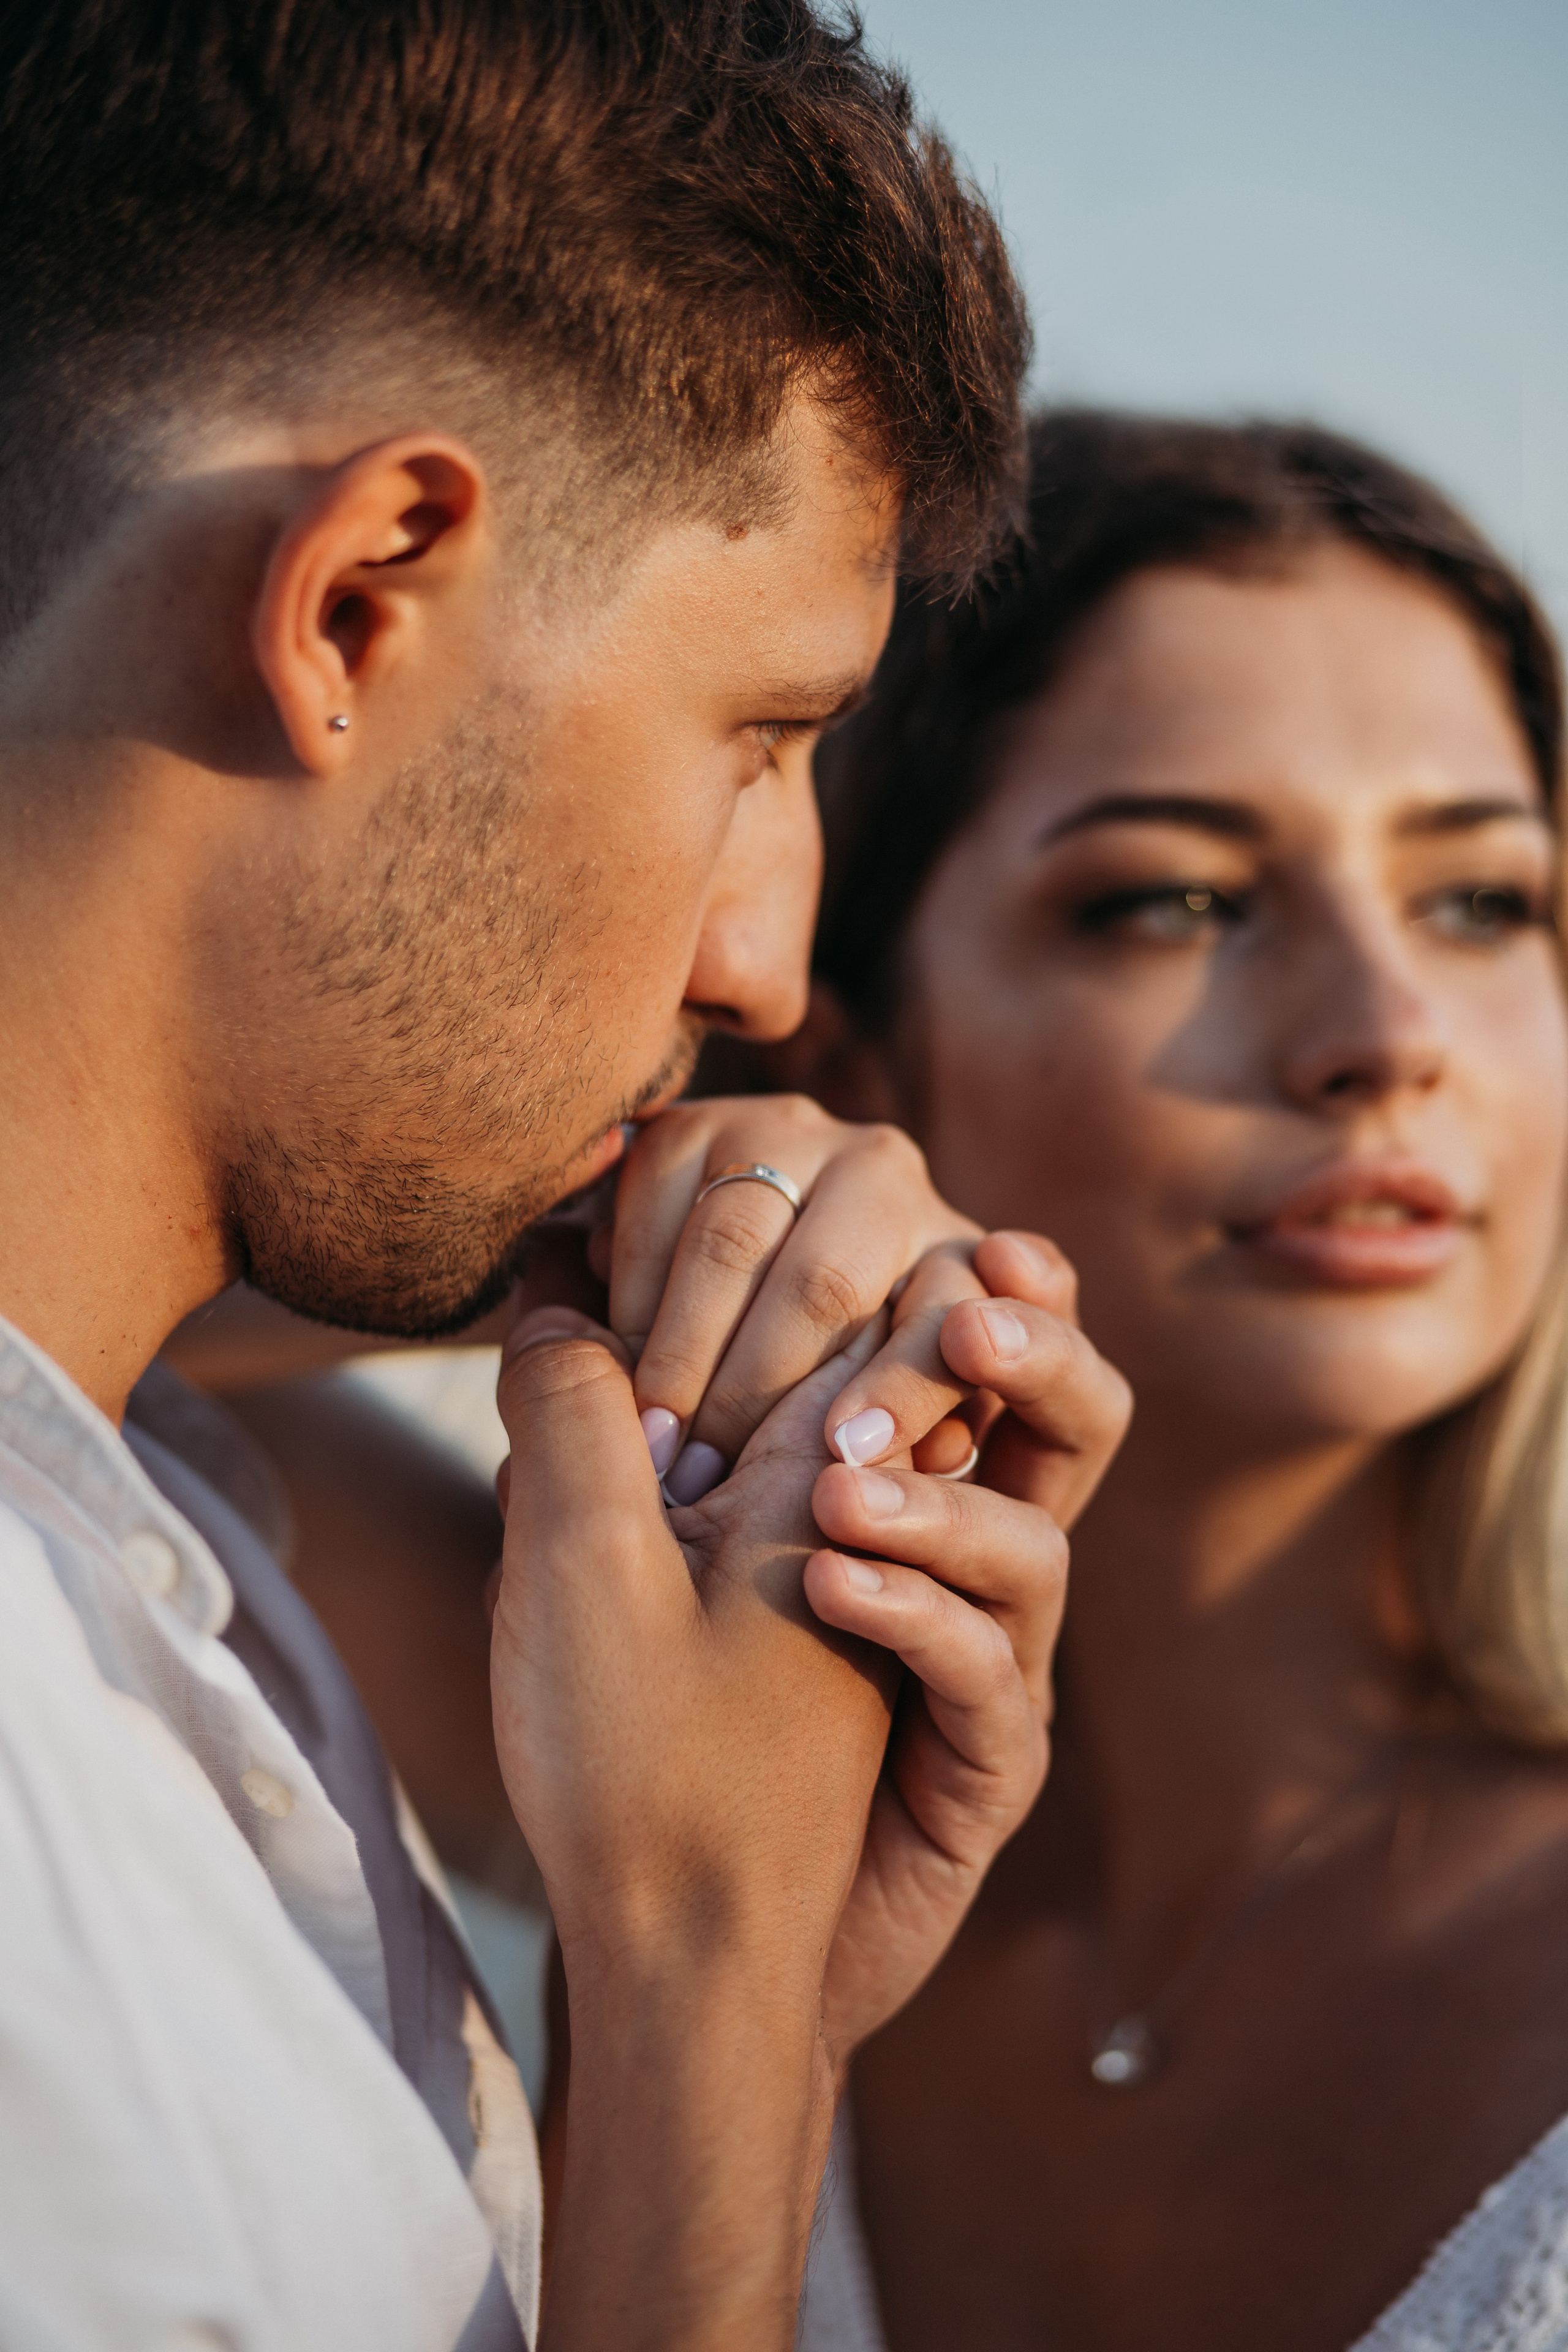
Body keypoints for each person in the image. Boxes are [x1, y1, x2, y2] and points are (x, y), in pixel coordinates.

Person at [0, 10, 1134, 2347]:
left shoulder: (173, 1546)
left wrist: (743, 1978)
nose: (773, 954)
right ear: (359, 605)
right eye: (763, 735)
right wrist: (711, 2003)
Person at [789, 411, 1568, 2352]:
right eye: (1177, 901)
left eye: (1482, 899)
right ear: (865, 1054)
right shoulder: (697, 1793)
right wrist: (660, 1186)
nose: (1387, 1039)